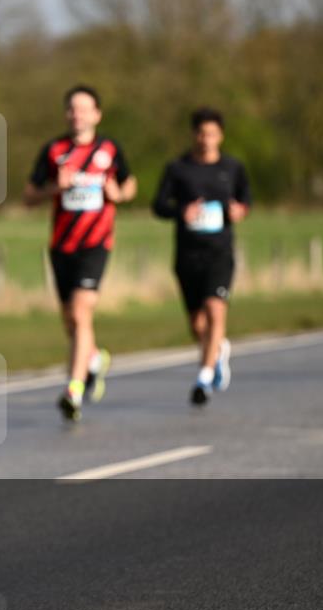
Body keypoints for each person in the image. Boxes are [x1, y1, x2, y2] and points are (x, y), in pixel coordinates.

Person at [24, 85, 137, 422]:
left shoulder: (109, 149)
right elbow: (28, 196)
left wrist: (119, 193)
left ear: (97, 114)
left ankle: (73, 389)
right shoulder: (53, 150)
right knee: (70, 321)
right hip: (62, 246)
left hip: (96, 244)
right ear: (66, 114)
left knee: (80, 311)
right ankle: (94, 359)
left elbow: (130, 184)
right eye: (72, 109)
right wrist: (54, 187)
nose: (78, 115)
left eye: (84, 109)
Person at [153, 107, 250, 405]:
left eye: (212, 134)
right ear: (194, 135)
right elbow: (158, 205)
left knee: (215, 308)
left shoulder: (232, 168)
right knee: (197, 324)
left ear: (220, 136)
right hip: (187, 253)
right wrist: (181, 211)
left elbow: (245, 200)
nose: (206, 139)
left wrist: (240, 210)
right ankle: (217, 352)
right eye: (201, 133)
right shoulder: (178, 169)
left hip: (219, 252)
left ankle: (204, 378)